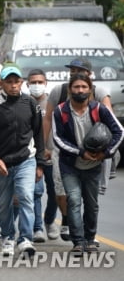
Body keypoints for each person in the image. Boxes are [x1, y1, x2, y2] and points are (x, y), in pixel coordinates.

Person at [43, 57, 112, 242]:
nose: (75, 74)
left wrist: (106, 152)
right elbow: (48, 118)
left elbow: (110, 125)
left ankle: (87, 235)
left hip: (93, 155)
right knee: (64, 193)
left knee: (90, 201)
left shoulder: (99, 94)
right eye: (72, 70)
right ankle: (69, 224)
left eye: (79, 70)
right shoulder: (59, 91)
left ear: (89, 77)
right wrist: (45, 146)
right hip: (64, 152)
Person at [52, 73, 123, 254]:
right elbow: (57, 138)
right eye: (76, 87)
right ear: (70, 90)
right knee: (74, 201)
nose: (80, 90)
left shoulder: (99, 109)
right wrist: (80, 152)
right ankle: (78, 242)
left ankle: (90, 239)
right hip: (69, 165)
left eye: (84, 87)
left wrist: (106, 153)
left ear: (90, 89)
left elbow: (119, 131)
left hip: (93, 167)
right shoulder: (60, 111)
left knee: (92, 204)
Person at [0, 64, 46, 257]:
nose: (13, 85)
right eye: (8, 82)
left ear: (21, 82)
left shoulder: (30, 104)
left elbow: (39, 134)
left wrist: (40, 163)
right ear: (1, 84)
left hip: (26, 160)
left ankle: (25, 239)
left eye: (16, 81)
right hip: (1, 163)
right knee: (3, 204)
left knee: (26, 196)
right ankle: (7, 238)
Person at [24, 69, 57, 243]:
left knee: (55, 193)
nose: (37, 85)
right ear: (27, 84)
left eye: (40, 82)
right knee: (36, 193)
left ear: (45, 83)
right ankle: (37, 228)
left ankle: (49, 221)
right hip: (31, 157)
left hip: (51, 155)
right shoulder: (23, 102)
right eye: (33, 82)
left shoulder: (53, 103)